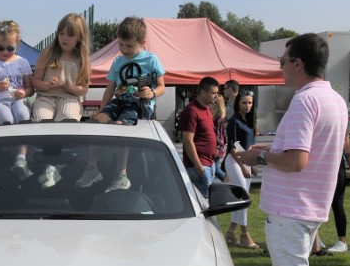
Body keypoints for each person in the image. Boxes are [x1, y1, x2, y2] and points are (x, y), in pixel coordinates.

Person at [240, 33, 347, 266]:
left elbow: (297, 160)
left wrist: (258, 156)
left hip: (292, 209)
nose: (280, 67)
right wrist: (268, 149)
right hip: (304, 207)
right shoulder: (332, 99)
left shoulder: (304, 102)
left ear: (298, 64)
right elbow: (304, 152)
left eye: (283, 61)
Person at [76, 17, 166, 192]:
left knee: (120, 127)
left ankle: (121, 175)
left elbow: (162, 86)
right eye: (121, 45)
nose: (124, 50)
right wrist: (101, 110)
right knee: (96, 121)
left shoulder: (151, 59)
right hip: (121, 100)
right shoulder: (118, 62)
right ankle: (92, 168)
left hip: (140, 104)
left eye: (129, 46)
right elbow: (110, 89)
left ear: (142, 43)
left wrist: (153, 93)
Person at [23, 13, 92, 188]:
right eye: (61, 33)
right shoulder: (48, 52)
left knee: (67, 121)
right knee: (41, 119)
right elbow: (35, 82)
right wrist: (47, 85)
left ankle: (54, 167)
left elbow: (83, 89)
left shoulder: (82, 59)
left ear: (79, 37)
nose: (64, 38)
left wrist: (66, 86)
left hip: (69, 97)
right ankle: (49, 166)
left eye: (70, 34)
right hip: (46, 96)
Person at [223, 90, 260, 249]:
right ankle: (244, 234)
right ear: (238, 103)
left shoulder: (250, 121)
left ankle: (231, 232)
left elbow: (251, 145)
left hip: (247, 161)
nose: (247, 106)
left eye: (250, 103)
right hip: (234, 161)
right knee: (244, 198)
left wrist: (254, 163)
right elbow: (233, 145)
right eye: (244, 102)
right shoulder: (234, 121)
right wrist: (243, 165)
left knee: (242, 200)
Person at [179, 76, 219, 199]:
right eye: (213, 93)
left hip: (209, 163)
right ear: (202, 92)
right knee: (203, 204)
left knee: (208, 202)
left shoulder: (206, 108)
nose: (216, 96)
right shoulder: (191, 111)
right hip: (199, 166)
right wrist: (198, 166)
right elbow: (187, 140)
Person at [322, 125, 350, 253]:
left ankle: (342, 241)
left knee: (337, 203)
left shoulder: (341, 121)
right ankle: (315, 239)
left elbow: (347, 147)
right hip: (320, 163)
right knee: (317, 202)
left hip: (336, 165)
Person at [211, 93, 227, 182]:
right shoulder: (216, 116)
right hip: (219, 145)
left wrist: (217, 145)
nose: (211, 103)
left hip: (218, 145)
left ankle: (228, 181)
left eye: (214, 102)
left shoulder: (218, 118)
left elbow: (219, 133)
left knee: (214, 168)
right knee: (214, 167)